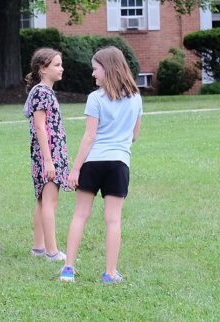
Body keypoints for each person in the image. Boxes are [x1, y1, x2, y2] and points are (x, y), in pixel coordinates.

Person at [59, 47, 143, 284]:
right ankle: (110, 273)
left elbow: (90, 136)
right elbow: (135, 135)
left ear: (108, 68)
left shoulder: (95, 98)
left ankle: (68, 269)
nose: (93, 74)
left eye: (95, 69)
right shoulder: (136, 98)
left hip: (93, 162)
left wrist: (75, 169)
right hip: (119, 164)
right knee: (113, 220)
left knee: (80, 215)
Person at [23, 48, 73, 262]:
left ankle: (39, 247)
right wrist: (48, 161)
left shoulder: (42, 91)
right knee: (49, 202)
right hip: (48, 154)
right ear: (42, 69)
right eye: (57, 65)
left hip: (49, 154)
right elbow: (40, 127)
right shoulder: (42, 93)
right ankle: (52, 252)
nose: (61, 68)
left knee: (43, 200)